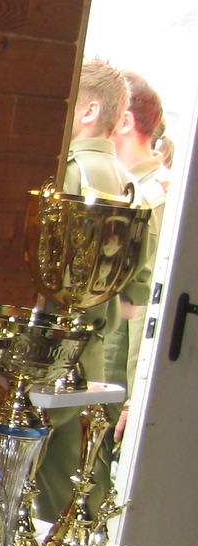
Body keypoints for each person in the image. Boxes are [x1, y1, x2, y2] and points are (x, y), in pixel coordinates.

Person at [35, 59, 134, 522]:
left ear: (90, 110)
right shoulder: (126, 181)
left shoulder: (73, 172)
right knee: (75, 485)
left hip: (54, 346)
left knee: (35, 477)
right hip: (92, 351)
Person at [107, 71, 169, 441]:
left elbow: (148, 307)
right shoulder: (129, 188)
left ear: (125, 121)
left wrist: (136, 399)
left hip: (118, 380)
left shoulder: (153, 198)